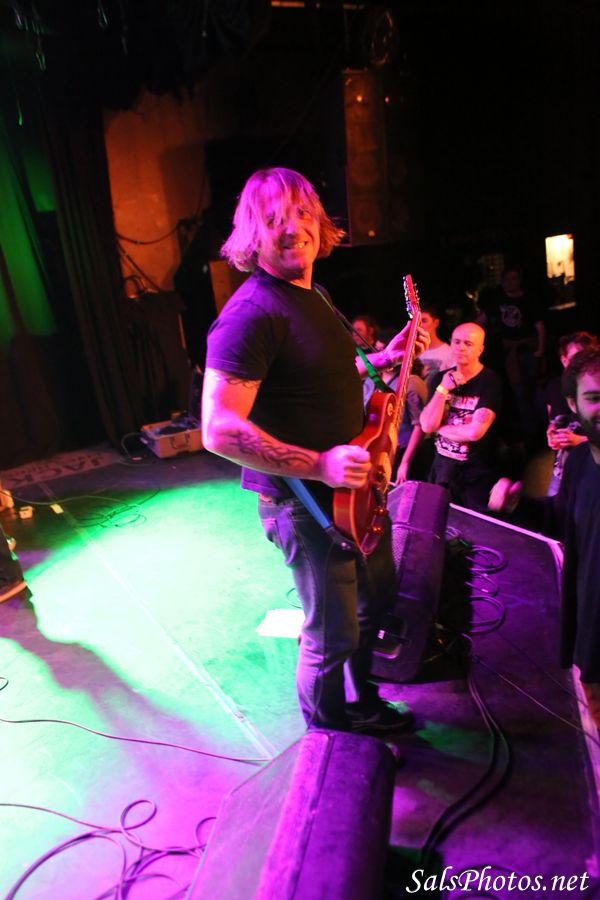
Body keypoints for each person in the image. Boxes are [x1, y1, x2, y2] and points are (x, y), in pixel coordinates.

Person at [201, 167, 429, 735]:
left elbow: (323, 374)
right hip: (303, 503)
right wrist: (319, 465)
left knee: (370, 608)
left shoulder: (315, 296)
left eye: (302, 214)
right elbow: (219, 429)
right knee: (331, 636)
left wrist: (384, 358)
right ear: (252, 233)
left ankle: (364, 705)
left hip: (355, 491)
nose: (293, 229)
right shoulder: (250, 315)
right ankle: (331, 741)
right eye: (274, 219)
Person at [489, 346, 600, 729]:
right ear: (573, 403)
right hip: (590, 630)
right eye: (594, 397)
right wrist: (518, 505)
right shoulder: (581, 463)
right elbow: (560, 521)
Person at [420, 322, 502, 511]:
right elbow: (426, 426)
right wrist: (443, 389)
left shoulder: (490, 381)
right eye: (456, 342)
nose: (461, 347)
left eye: (468, 343)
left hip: (474, 475)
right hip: (441, 470)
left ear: (480, 350)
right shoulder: (439, 379)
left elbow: (474, 432)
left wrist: (440, 427)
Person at [478, 267, 546, 444]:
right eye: (507, 279)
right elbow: (482, 320)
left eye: (514, 278)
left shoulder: (529, 299)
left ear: (519, 280)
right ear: (502, 281)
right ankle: (530, 432)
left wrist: (540, 349)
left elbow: (539, 326)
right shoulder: (497, 300)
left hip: (528, 349)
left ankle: (542, 430)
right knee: (518, 391)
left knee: (534, 389)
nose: (510, 282)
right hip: (509, 353)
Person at [544, 331, 597, 495]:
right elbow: (553, 421)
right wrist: (551, 434)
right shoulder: (555, 387)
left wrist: (579, 441)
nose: (580, 363)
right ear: (564, 360)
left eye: (585, 356)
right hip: (562, 471)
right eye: (576, 357)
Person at [416, 303, 454, 382]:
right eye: (416, 321)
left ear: (436, 323)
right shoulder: (411, 351)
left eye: (424, 321)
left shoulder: (449, 352)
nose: (419, 325)